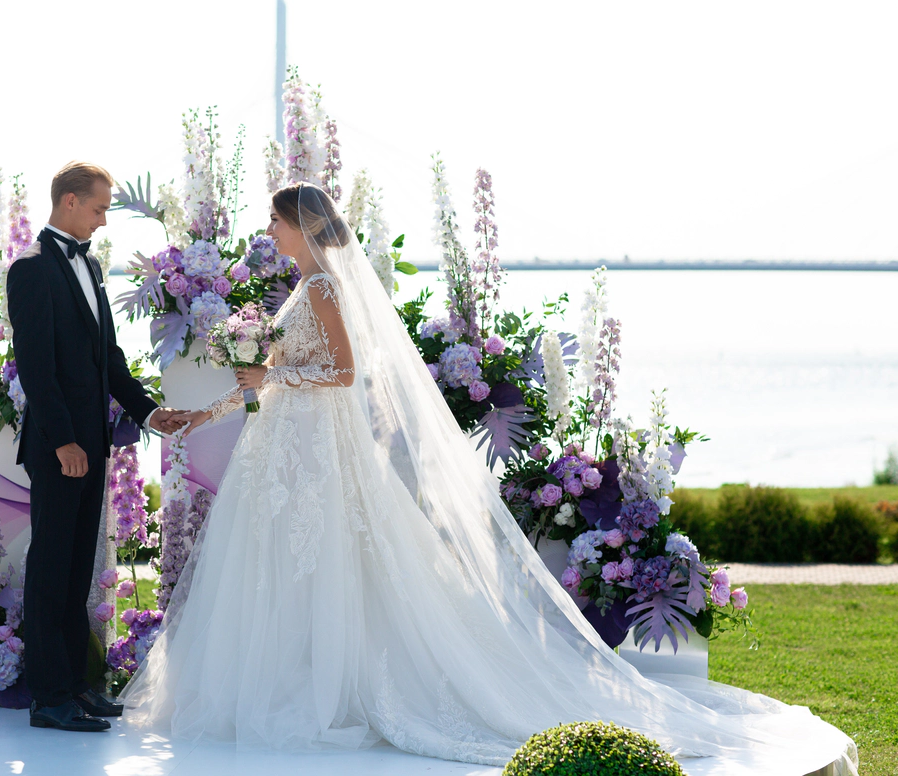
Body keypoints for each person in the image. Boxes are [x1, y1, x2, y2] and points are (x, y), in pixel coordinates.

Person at [120, 182, 857, 774]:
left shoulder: (323, 291)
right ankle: (291, 684)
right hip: (286, 448)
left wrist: (270, 377)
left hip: (316, 452)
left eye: (276, 222)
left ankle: (330, 693)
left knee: (328, 564)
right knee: (285, 566)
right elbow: (268, 376)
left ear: (302, 226)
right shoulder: (302, 287)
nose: (270, 232)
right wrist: (204, 413)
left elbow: (342, 373)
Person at [7, 161, 186, 732]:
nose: (104, 220)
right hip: (59, 448)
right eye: (99, 208)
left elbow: (107, 359)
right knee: (50, 569)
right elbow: (36, 367)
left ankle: (76, 685)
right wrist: (63, 440)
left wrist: (150, 412)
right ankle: (48, 698)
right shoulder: (31, 269)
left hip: (92, 444)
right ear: (69, 202)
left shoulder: (89, 266)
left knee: (78, 569)